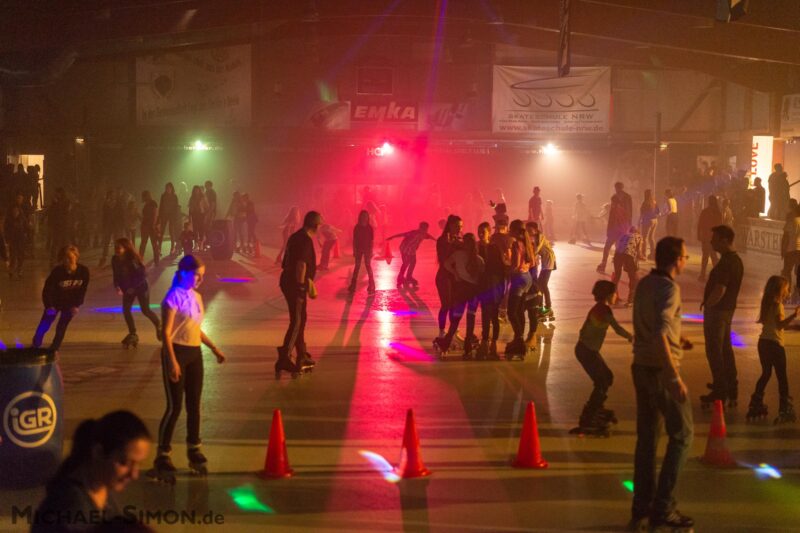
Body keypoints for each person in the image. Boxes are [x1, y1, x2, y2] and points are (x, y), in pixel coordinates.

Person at [630, 237, 693, 531]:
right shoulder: (670, 288)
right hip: (659, 371)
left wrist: (678, 339)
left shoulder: (644, 283)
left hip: (640, 366)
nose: (686, 260)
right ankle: (664, 508)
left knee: (647, 438)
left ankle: (642, 505)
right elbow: (658, 333)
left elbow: (652, 325)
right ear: (676, 259)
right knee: (682, 435)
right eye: (685, 256)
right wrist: (673, 376)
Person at [154, 255, 225, 479]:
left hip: (195, 354)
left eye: (202, 276)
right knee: (174, 407)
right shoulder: (172, 297)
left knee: (194, 405)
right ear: (183, 272)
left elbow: (196, 328)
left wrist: (213, 348)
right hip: (176, 352)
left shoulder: (197, 297)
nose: (200, 279)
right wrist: (172, 361)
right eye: (196, 275)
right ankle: (163, 454)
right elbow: (166, 334)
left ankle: (194, 449)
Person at [32, 411, 151, 532]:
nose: (134, 475)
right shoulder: (71, 508)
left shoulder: (99, 490)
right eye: (124, 462)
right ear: (98, 452)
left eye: (139, 464)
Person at [574, 280, 633, 433]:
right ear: (608, 295)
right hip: (587, 351)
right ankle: (589, 417)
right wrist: (631, 337)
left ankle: (596, 409)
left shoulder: (599, 308)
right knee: (602, 382)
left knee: (607, 377)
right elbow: (617, 329)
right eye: (615, 294)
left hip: (587, 350)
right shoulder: (604, 310)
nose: (616, 296)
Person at [699, 225, 744, 407]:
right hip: (727, 310)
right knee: (725, 349)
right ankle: (730, 386)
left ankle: (720, 389)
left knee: (714, 351)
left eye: (715, 239)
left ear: (724, 240)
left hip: (718, 312)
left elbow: (720, 289)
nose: (711, 242)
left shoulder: (726, 263)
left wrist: (708, 304)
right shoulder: (735, 260)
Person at [746, 276, 798, 424]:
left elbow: (774, 325)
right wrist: (794, 315)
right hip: (775, 345)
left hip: (763, 343)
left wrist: (794, 326)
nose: (788, 291)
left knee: (766, 373)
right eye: (786, 288)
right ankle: (784, 408)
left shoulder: (767, 304)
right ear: (779, 290)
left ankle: (756, 401)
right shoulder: (778, 305)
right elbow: (780, 325)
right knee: (782, 378)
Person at [276, 211, 322, 376]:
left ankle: (302, 355)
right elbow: (301, 265)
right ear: (315, 226)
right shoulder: (305, 240)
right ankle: (284, 356)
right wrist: (301, 287)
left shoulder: (295, 236)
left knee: (300, 319)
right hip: (295, 284)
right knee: (297, 321)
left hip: (287, 280)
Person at [33, 245, 90, 351]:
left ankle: (55, 347)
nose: (67, 260)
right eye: (65, 258)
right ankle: (36, 343)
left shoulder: (83, 271)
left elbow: (82, 290)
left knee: (62, 326)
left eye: (70, 257)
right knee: (45, 324)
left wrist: (77, 305)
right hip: (55, 302)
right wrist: (49, 306)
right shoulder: (57, 272)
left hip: (70, 304)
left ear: (76, 257)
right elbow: (47, 290)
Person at [437, 233, 485, 358]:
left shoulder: (457, 255)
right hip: (474, 291)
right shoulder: (479, 259)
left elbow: (446, 264)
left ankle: (446, 343)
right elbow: (481, 275)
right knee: (471, 318)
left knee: (456, 319)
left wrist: (455, 273)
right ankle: (468, 347)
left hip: (462, 289)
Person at [112, 238, 162, 348]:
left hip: (141, 287)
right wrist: (117, 286)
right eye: (115, 247)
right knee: (126, 310)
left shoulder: (132, 259)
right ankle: (133, 333)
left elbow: (142, 275)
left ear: (125, 248)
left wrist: (132, 287)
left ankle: (158, 324)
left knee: (145, 310)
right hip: (128, 288)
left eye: (119, 248)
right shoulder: (115, 259)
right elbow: (116, 274)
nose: (116, 250)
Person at [476, 221, 507, 360]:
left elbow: (501, 269)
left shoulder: (494, 248)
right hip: (483, 286)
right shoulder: (475, 247)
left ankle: (493, 342)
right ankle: (484, 341)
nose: (481, 234)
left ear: (489, 233)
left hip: (494, 286)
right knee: (485, 315)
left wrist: (502, 288)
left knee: (494, 316)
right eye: (479, 231)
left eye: (483, 231)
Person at [505, 219, 535, 358]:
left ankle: (519, 340)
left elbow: (516, 265)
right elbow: (533, 262)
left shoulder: (516, 244)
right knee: (519, 311)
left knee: (511, 312)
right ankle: (519, 340)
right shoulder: (527, 243)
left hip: (518, 279)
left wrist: (507, 268)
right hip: (527, 277)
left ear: (515, 231)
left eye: (510, 229)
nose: (509, 231)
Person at [435, 215, 463, 344]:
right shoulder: (442, 240)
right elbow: (443, 259)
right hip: (444, 277)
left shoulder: (458, 240)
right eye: (457, 226)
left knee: (454, 305)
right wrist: (451, 245)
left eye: (461, 226)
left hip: (455, 277)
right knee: (446, 305)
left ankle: (453, 331)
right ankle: (442, 331)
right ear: (450, 226)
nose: (459, 229)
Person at [386, 221, 435, 288]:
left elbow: (430, 236)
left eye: (426, 229)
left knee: (413, 262)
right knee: (406, 263)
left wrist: (437, 240)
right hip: (405, 249)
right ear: (420, 228)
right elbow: (402, 234)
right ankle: (400, 277)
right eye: (424, 229)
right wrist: (392, 237)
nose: (425, 231)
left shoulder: (424, 234)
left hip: (412, 251)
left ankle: (408, 276)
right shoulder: (413, 233)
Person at [611, 226, 644, 306]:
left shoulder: (624, 235)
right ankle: (631, 300)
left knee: (617, 276)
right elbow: (639, 252)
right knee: (633, 277)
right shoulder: (639, 236)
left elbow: (617, 246)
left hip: (617, 255)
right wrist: (642, 257)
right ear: (637, 232)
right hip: (628, 256)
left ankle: (612, 297)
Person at [529, 221, 556, 320]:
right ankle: (544, 307)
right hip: (545, 262)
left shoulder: (540, 236)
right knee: (541, 285)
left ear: (536, 230)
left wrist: (530, 254)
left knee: (542, 285)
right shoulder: (534, 237)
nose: (528, 232)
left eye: (530, 230)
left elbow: (537, 249)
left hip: (549, 261)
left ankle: (547, 307)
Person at [597, 195, 627, 273]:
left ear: (613, 202)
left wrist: (609, 232)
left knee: (606, 248)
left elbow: (611, 222)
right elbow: (625, 221)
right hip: (621, 232)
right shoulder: (622, 209)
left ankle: (603, 264)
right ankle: (624, 264)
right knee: (619, 249)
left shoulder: (613, 210)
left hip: (614, 232)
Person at [696, 195, 723, 281]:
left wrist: (698, 234)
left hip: (706, 236)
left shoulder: (705, 212)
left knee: (705, 256)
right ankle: (718, 275)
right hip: (714, 237)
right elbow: (720, 226)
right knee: (713, 256)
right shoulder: (718, 213)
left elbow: (700, 224)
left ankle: (703, 274)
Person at [349, 209, 375, 294]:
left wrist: (371, 250)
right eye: (363, 216)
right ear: (360, 217)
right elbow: (354, 240)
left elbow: (372, 240)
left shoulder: (369, 228)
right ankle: (353, 285)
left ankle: (371, 284)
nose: (364, 218)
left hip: (367, 249)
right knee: (357, 266)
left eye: (366, 216)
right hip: (359, 249)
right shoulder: (357, 227)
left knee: (368, 266)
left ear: (368, 217)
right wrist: (354, 250)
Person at [781, 203, 800, 298]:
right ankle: (797, 292)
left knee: (787, 271)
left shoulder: (791, 221)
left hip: (790, 250)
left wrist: (782, 250)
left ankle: (786, 292)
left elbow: (786, 237)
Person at [4, 204, 28, 278]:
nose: (15, 213)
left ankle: (19, 269)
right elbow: (6, 230)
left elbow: (26, 228)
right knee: (13, 255)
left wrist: (25, 235)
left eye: (16, 211)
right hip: (12, 240)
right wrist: (7, 239)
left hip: (20, 240)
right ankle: (12, 269)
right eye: (14, 211)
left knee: (20, 255)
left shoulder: (22, 219)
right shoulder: (9, 220)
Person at [158, 182, 181, 255]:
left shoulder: (174, 196)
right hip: (164, 215)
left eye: (169, 188)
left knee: (171, 231)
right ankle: (159, 248)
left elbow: (176, 207)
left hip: (172, 215)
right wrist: (159, 216)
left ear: (171, 188)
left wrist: (176, 217)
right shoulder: (163, 196)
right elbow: (161, 206)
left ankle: (172, 247)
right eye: (166, 188)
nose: (168, 189)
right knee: (162, 231)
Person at [139, 191, 160, 265]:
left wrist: (153, 225)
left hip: (150, 226)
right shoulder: (147, 204)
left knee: (152, 244)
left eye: (143, 196)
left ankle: (156, 260)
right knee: (145, 244)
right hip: (146, 226)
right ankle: (140, 259)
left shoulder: (153, 203)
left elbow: (154, 215)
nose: (143, 198)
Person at [639, 189, 659, 260]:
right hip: (655, 220)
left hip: (647, 221)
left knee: (644, 238)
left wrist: (639, 221)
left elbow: (642, 213)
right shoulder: (654, 202)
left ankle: (643, 255)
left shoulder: (645, 202)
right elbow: (658, 212)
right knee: (651, 237)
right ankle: (653, 254)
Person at [188, 186, 209, 251]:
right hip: (194, 215)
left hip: (201, 215)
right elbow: (190, 207)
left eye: (197, 190)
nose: (196, 191)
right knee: (195, 230)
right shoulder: (192, 198)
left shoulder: (203, 197)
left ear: (199, 191)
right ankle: (196, 244)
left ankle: (201, 243)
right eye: (195, 190)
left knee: (201, 229)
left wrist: (205, 215)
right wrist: (189, 216)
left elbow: (207, 207)